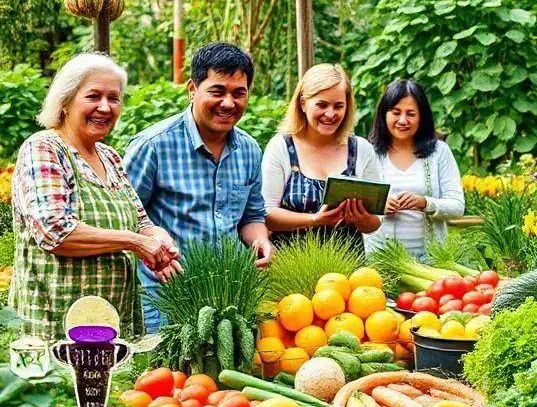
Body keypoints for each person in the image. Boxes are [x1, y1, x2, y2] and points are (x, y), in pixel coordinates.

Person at [11, 53, 178, 338]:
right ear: (65, 102)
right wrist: (135, 242)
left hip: (113, 323)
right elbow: (55, 232)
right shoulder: (45, 149)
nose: (105, 107)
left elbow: (140, 220)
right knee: (62, 384)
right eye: (93, 96)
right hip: (56, 324)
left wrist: (157, 237)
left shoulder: (109, 157)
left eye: (114, 98)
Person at [123, 42, 273, 331]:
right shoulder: (154, 146)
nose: (228, 103)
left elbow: (252, 216)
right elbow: (124, 216)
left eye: (238, 93)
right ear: (193, 89)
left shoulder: (249, 150)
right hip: (163, 298)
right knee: (163, 376)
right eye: (217, 91)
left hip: (226, 299)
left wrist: (260, 241)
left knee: (221, 376)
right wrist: (152, 248)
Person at [262, 63, 381, 247]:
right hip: (291, 267)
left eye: (338, 106)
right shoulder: (281, 147)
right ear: (303, 103)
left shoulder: (361, 149)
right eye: (322, 105)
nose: (330, 114)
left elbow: (374, 223)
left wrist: (362, 219)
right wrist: (315, 220)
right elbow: (267, 215)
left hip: (349, 270)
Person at [363, 79, 464, 259]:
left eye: (411, 114)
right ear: (384, 114)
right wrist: (380, 205)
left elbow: (457, 206)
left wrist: (425, 203)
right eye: (396, 113)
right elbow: (356, 202)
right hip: (380, 260)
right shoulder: (368, 152)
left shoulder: (439, 152)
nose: (403, 120)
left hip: (431, 261)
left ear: (421, 117)